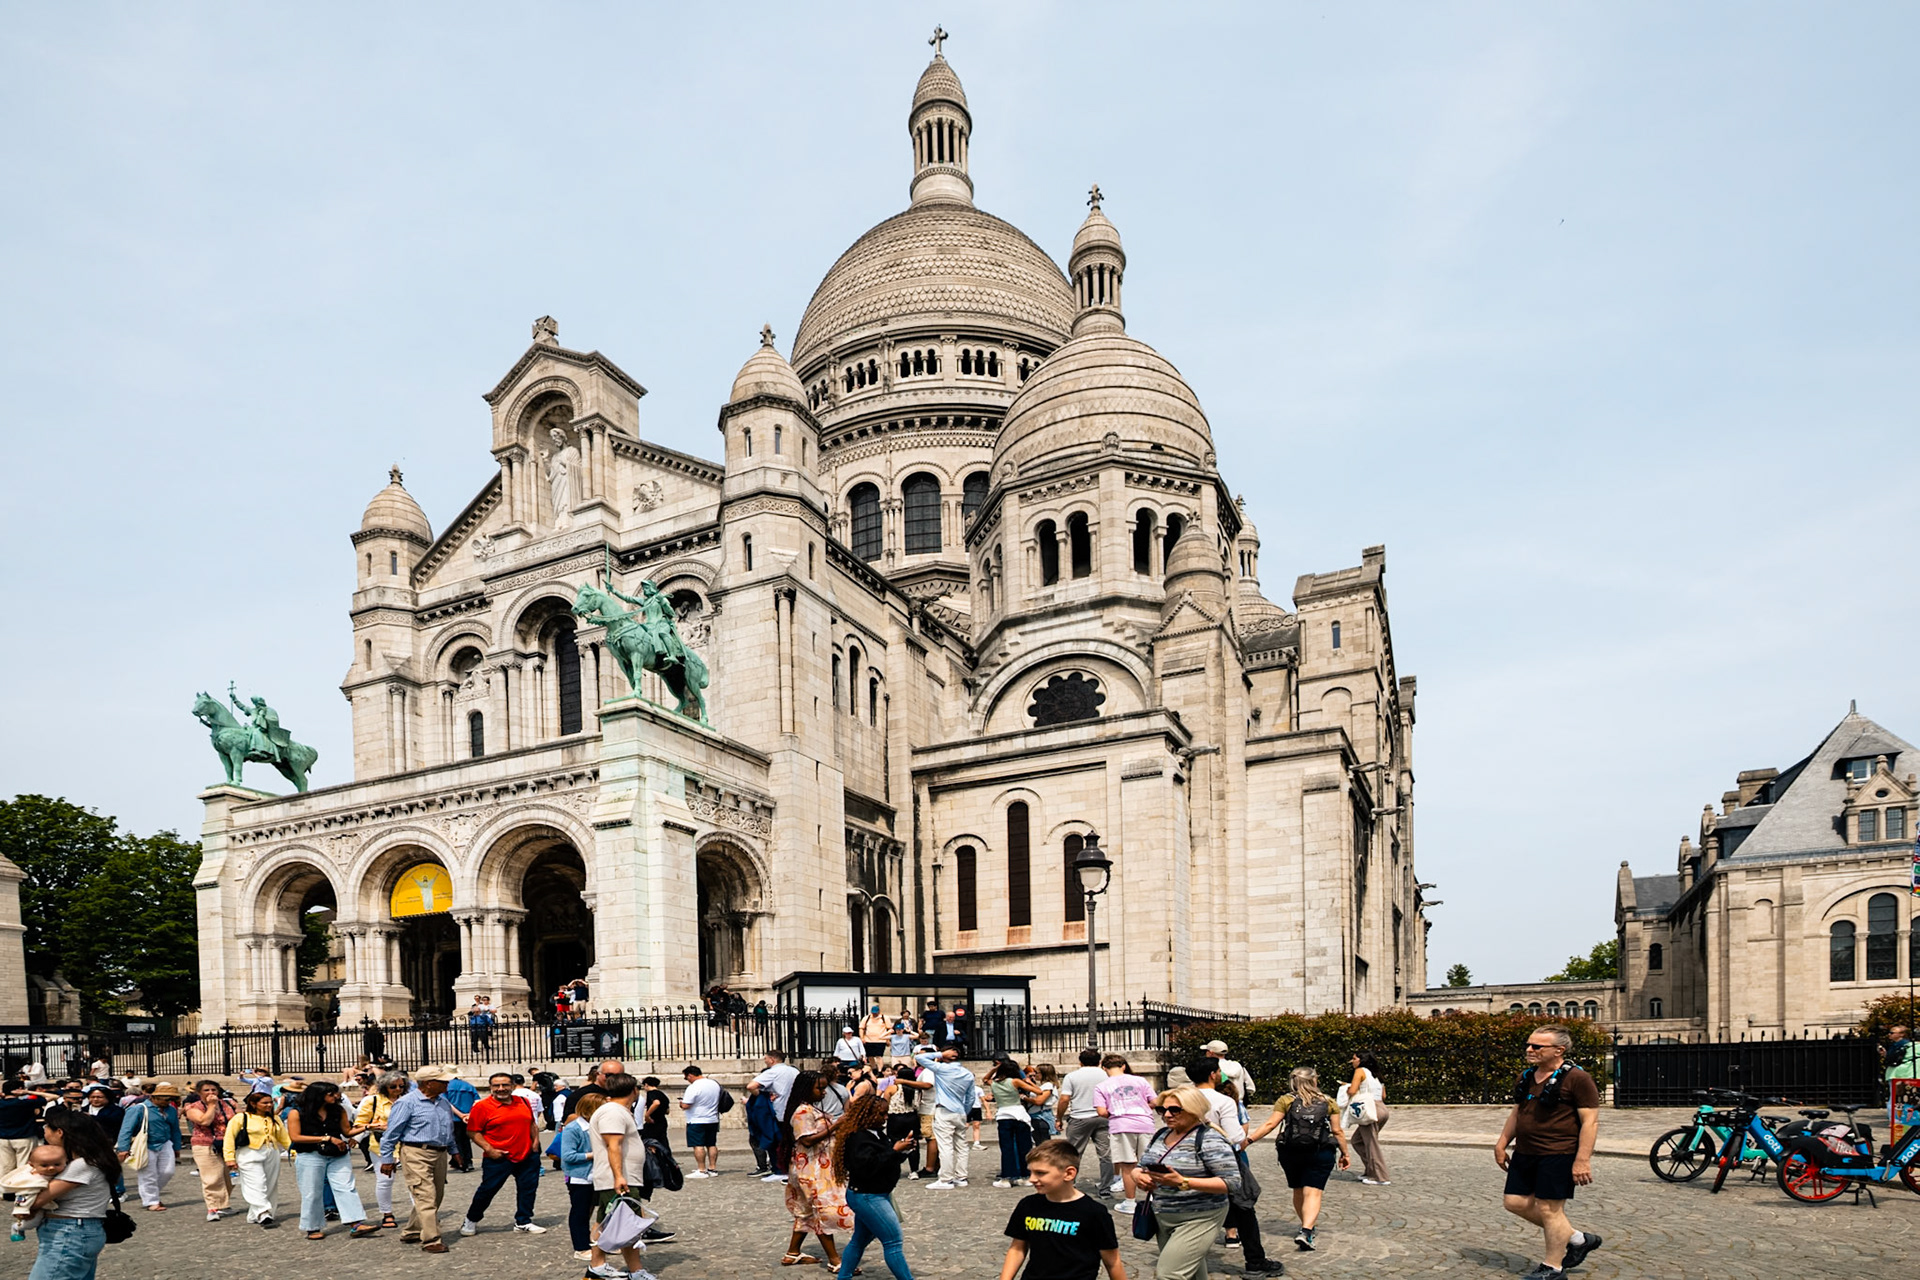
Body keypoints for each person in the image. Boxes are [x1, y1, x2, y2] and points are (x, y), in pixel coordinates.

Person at [1495, 1024, 1603, 1280]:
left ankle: (1553, 1268)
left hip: (1559, 1153)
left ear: (1558, 1050)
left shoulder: (1577, 1078)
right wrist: (1501, 1142)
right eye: (1529, 1045)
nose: (1529, 1050)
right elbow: (1517, 1112)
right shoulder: (1526, 1076)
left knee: (1549, 1209)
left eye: (1536, 1046)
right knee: (1514, 1202)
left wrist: (1582, 1160)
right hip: (1525, 1152)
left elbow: (1591, 1122)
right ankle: (1578, 1239)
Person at [1135, 1087, 1242, 1280]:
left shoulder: (1209, 1138)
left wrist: (1184, 1181)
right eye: (1162, 1110)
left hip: (1200, 1216)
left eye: (1175, 1110)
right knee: (1192, 1275)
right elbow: (1140, 1166)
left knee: (1169, 1274)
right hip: (1164, 1215)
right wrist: (1138, 1176)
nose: (1167, 1115)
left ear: (1193, 1110)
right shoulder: (1161, 1135)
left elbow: (1232, 1182)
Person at [1246, 1066, 1349, 1257]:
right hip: (1321, 1151)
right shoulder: (1328, 1102)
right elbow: (1337, 1131)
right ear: (1314, 1081)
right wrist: (1345, 1153)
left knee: (1299, 1189)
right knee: (1314, 1192)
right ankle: (1306, 1230)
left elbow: (1270, 1124)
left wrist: (1249, 1140)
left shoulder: (1286, 1100)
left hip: (1291, 1151)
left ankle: (1306, 1226)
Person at [1183, 1058, 1272, 1273]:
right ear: (1213, 1074)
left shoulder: (1183, 1097)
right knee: (1243, 1208)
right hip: (1220, 1160)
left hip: (1187, 1157)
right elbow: (1235, 1136)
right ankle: (1255, 1260)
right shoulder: (1223, 1101)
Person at [999, 1137, 1127, 1280]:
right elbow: (1017, 1248)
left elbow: (1112, 1261)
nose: (1032, 1179)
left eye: (1040, 1173)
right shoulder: (1028, 1205)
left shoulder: (1093, 1212)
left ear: (1069, 1173)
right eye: (1031, 1172)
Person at [24, 1110, 118, 1280]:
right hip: (79, 1230)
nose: (44, 1131)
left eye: (46, 1127)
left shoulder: (81, 1165)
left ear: (59, 1132)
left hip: (70, 1231)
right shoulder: (92, 1159)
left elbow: (38, 1201)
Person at [832, 1092, 915, 1280]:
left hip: (875, 1194)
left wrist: (903, 1149)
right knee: (893, 1242)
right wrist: (894, 1151)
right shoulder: (858, 1138)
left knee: (859, 1241)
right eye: (882, 1114)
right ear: (868, 1115)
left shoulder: (876, 1134)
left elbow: (886, 1160)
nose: (886, 1118)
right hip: (868, 1196)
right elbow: (866, 1167)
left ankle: (843, 1277)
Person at [379, 1063, 458, 1253]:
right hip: (416, 1152)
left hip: (439, 1152)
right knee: (425, 1195)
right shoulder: (406, 1103)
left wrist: (454, 1151)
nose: (447, 1084)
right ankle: (431, 1239)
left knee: (436, 1196)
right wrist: (387, 1159)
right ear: (428, 1084)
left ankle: (412, 1230)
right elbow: (391, 1133)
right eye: (442, 1081)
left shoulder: (443, 1102)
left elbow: (448, 1129)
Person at [457, 1071, 545, 1237]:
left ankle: (523, 1221)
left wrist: (535, 1143)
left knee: (528, 1189)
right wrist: (489, 1149)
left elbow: (532, 1123)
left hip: (526, 1154)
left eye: (505, 1085)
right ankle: (471, 1219)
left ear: (512, 1086)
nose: (501, 1088)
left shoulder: (523, 1101)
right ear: (490, 1088)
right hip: (498, 1156)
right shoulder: (482, 1106)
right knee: (488, 1190)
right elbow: (473, 1131)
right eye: (496, 1085)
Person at [287, 1081, 378, 1239]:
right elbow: (295, 1137)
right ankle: (312, 1226)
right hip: (310, 1154)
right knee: (312, 1191)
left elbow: (347, 1131)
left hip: (337, 1154)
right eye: (331, 1094)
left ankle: (356, 1223)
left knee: (346, 1187)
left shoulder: (338, 1110)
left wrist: (368, 1127)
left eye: (336, 1093)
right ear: (318, 1095)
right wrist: (326, 1138)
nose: (336, 1096)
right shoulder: (297, 1112)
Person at [781, 1071, 852, 1267]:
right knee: (822, 1211)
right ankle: (835, 1260)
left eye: (824, 1088)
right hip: (811, 1171)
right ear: (806, 1089)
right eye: (819, 1088)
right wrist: (836, 1125)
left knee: (805, 1211)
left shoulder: (811, 1109)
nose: (823, 1092)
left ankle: (792, 1252)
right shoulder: (802, 1112)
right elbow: (807, 1140)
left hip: (814, 1168)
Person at [585, 1073, 647, 1280]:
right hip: (620, 1179)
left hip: (621, 1177)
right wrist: (619, 1176)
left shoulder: (616, 1111)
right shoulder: (613, 1112)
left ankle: (597, 1266)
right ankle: (635, 1271)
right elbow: (614, 1146)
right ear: (634, 1090)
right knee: (627, 1224)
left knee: (605, 1221)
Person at [1093, 1056, 1154, 1214]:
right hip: (1144, 1122)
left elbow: (1101, 1111)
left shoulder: (1101, 1086)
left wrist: (1114, 1114)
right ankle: (1153, 1197)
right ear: (1124, 1066)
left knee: (1128, 1165)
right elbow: (1154, 1101)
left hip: (1121, 1124)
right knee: (1149, 1164)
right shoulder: (1140, 1081)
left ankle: (1130, 1201)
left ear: (1104, 1068)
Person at [915, 1044, 981, 1190]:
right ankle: (961, 1177)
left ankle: (946, 1179)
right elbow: (970, 1097)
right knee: (961, 1145)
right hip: (960, 1111)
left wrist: (939, 1054)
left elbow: (919, 1057)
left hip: (944, 1110)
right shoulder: (968, 1074)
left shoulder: (941, 1068)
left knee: (945, 1146)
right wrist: (965, 1111)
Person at [223, 1089, 290, 1227]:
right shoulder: (240, 1118)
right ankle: (263, 1212)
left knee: (270, 1184)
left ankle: (255, 1215)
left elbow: (284, 1138)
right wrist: (229, 1157)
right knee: (256, 1183)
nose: (269, 1105)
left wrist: (294, 1152)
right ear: (254, 1104)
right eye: (265, 1103)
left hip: (271, 1152)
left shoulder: (275, 1119)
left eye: (271, 1102)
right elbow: (229, 1138)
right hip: (249, 1153)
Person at [113, 1080, 184, 1210]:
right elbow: (126, 1129)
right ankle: (151, 1201)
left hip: (165, 1142)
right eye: (165, 1099)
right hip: (145, 1144)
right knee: (148, 1174)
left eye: (170, 1099)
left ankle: (151, 1193)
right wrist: (123, 1148)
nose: (167, 1102)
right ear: (154, 1097)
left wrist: (176, 1147)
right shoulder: (138, 1109)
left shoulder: (171, 1110)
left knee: (168, 1171)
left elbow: (175, 1129)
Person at [1057, 1048, 1114, 1198]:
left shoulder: (1072, 1076)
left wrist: (1059, 1118)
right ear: (1099, 1061)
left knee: (1073, 1153)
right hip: (1103, 1116)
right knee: (1106, 1154)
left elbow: (1064, 1099)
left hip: (1080, 1117)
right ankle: (1106, 1187)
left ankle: (1070, 1184)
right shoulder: (1106, 1075)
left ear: (1080, 1062)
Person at [355, 1073, 409, 1229]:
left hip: (408, 1145)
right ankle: (387, 1213)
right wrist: (375, 1126)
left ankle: (420, 1213)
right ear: (384, 1087)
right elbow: (361, 1123)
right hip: (381, 1146)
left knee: (415, 1181)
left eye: (401, 1086)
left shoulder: (409, 1100)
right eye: (393, 1086)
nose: (398, 1089)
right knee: (385, 1180)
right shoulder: (372, 1101)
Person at [180, 1079, 237, 1223]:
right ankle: (212, 1207)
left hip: (227, 1143)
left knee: (229, 1177)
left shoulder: (229, 1104)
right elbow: (204, 1121)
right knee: (212, 1177)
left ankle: (223, 1204)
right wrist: (211, 1106)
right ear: (199, 1093)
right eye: (206, 1090)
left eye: (214, 1090)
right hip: (205, 1143)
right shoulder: (193, 1107)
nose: (211, 1093)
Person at [987, 1059, 1048, 1189]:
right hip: (1019, 1115)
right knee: (1024, 1146)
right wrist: (1028, 1081)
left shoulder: (994, 1083)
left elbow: (985, 1079)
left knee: (1007, 1147)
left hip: (1003, 1115)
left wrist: (995, 1069)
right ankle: (1025, 1175)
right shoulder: (1015, 1081)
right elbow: (1039, 1091)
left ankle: (1007, 1176)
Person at [558, 1092, 602, 1262]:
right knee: (580, 1212)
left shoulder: (598, 1127)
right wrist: (593, 1154)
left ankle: (596, 1239)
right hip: (580, 1177)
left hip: (597, 1175)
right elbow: (568, 1156)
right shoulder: (574, 1129)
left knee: (599, 1209)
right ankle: (580, 1246)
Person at [750, 1049, 801, 1180]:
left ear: (772, 1059)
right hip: (794, 1110)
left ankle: (779, 1170)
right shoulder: (794, 1071)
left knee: (776, 1142)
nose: (765, 1061)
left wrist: (764, 1094)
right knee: (791, 1142)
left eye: (766, 1058)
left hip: (778, 1111)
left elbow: (751, 1086)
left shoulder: (773, 1072)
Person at [1342, 1052, 1391, 1185]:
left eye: (1354, 1058)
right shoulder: (1377, 1075)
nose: (1352, 1061)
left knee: (1371, 1143)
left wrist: (1346, 1088)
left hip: (1370, 1109)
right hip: (1382, 1109)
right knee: (1357, 1140)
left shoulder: (1360, 1071)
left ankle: (1380, 1176)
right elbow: (1384, 1095)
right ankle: (1371, 1170)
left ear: (1361, 1060)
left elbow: (1352, 1091)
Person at [885, 1062, 928, 1179]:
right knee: (913, 1143)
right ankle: (914, 1170)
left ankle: (894, 1166)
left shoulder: (892, 1088)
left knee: (894, 1141)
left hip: (895, 1118)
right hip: (912, 1117)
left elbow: (884, 1103)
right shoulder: (917, 1090)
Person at [680, 1064, 723, 1177]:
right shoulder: (714, 1084)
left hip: (696, 1119)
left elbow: (686, 1105)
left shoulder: (694, 1087)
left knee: (698, 1145)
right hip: (712, 1118)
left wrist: (681, 1103)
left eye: (686, 1078)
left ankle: (701, 1169)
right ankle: (712, 1168)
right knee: (711, 1144)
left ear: (690, 1076)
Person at [0, 1079, 48, 1176]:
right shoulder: (26, 1103)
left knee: (6, 1166)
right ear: (20, 1089)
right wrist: (28, 1092)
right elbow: (53, 1097)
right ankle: (21, 1188)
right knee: (24, 1167)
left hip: (3, 1138)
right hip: (24, 1136)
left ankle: (5, 1188)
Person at [1199, 1041, 1256, 1112]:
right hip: (1238, 1104)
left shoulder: (1210, 1068)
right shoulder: (1238, 1066)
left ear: (1210, 1053)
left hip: (1217, 1104)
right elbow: (1251, 1088)